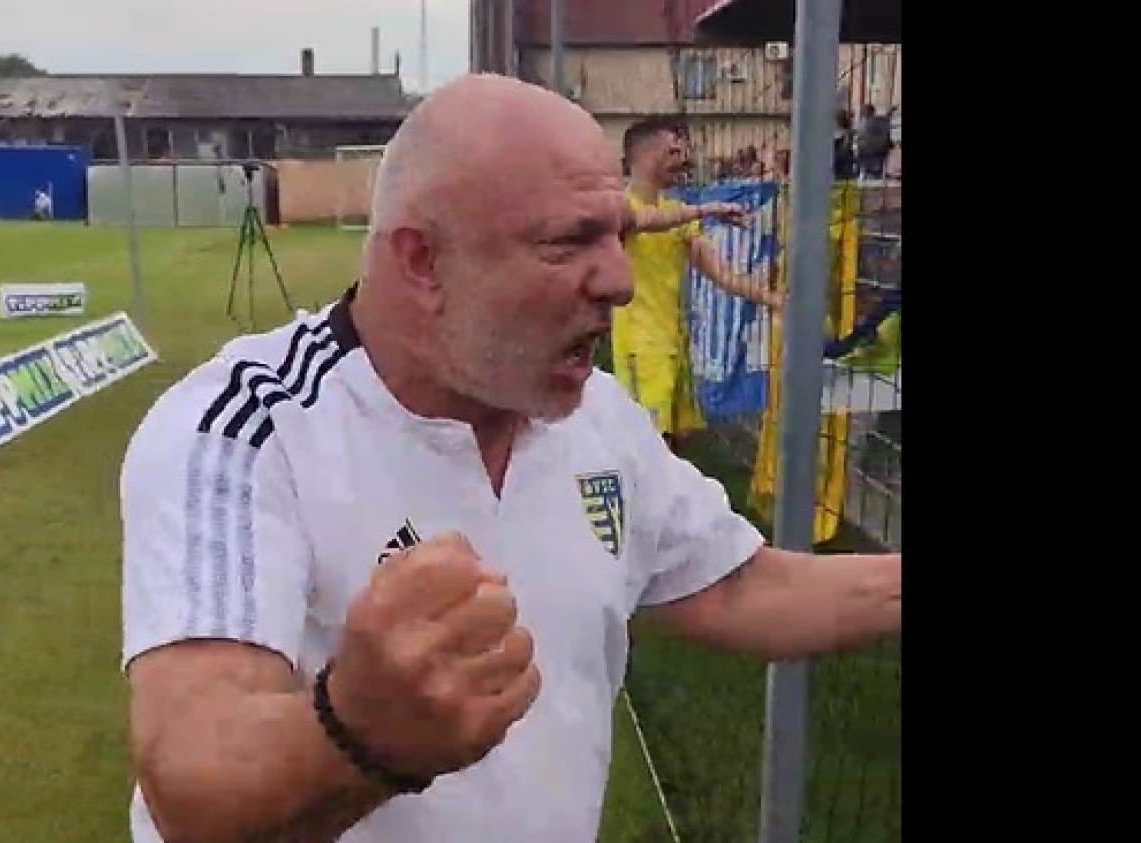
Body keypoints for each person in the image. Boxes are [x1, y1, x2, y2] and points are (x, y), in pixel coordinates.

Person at [119, 73, 901, 843]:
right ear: (422, 261)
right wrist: (355, 729)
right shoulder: (247, 427)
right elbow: (192, 781)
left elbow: (736, 586)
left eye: (618, 235)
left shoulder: (598, 416)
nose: (620, 281)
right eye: (568, 241)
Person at [612, 117, 784, 448]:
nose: (683, 160)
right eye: (673, 152)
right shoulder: (620, 207)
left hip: (675, 345)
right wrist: (705, 210)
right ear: (646, 156)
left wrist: (773, 299)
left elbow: (722, 275)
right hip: (640, 348)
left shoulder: (677, 211)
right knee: (645, 444)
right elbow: (645, 221)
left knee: (677, 443)